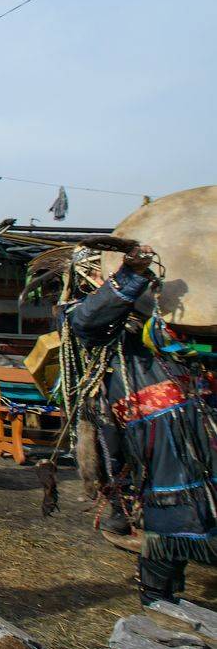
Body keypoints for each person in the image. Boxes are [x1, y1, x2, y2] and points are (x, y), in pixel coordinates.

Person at [65, 243, 217, 605]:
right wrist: (134, 274)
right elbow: (87, 321)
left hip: (204, 421)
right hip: (159, 432)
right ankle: (158, 605)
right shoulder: (107, 326)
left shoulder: (186, 326)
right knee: (169, 523)